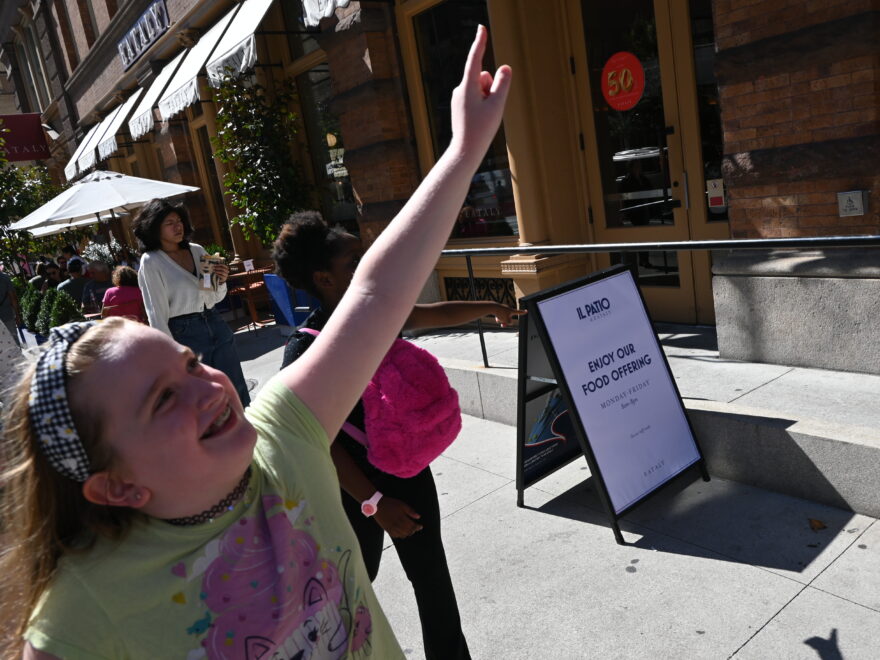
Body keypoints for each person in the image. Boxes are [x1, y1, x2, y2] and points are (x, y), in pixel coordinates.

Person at [0, 26, 510, 658]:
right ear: (116, 485)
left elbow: (378, 293)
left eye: (188, 364)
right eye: (163, 399)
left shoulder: (284, 440)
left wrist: (463, 153)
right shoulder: (82, 616)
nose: (208, 385)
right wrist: (374, 500)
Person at [274, 212, 523, 659]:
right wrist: (373, 503)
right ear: (323, 278)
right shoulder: (306, 346)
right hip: (349, 493)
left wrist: (489, 308)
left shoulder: (375, 314)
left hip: (407, 473)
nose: (367, 263)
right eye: (354, 260)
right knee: (350, 588)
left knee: (433, 585)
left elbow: (429, 313)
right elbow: (321, 440)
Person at [133, 200, 251, 407]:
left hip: (215, 322)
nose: (178, 227)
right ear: (154, 227)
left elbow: (212, 297)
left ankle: (249, 434)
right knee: (206, 399)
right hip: (184, 334)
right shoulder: (151, 262)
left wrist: (221, 281)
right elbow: (156, 314)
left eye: (179, 221)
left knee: (236, 389)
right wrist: (169, 356)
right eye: (169, 223)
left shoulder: (197, 251)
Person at [0, 268, 22, 346]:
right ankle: (18, 357)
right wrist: (17, 315)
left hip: (6, 315)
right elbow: (13, 297)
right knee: (14, 339)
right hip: (7, 315)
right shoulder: (4, 278)